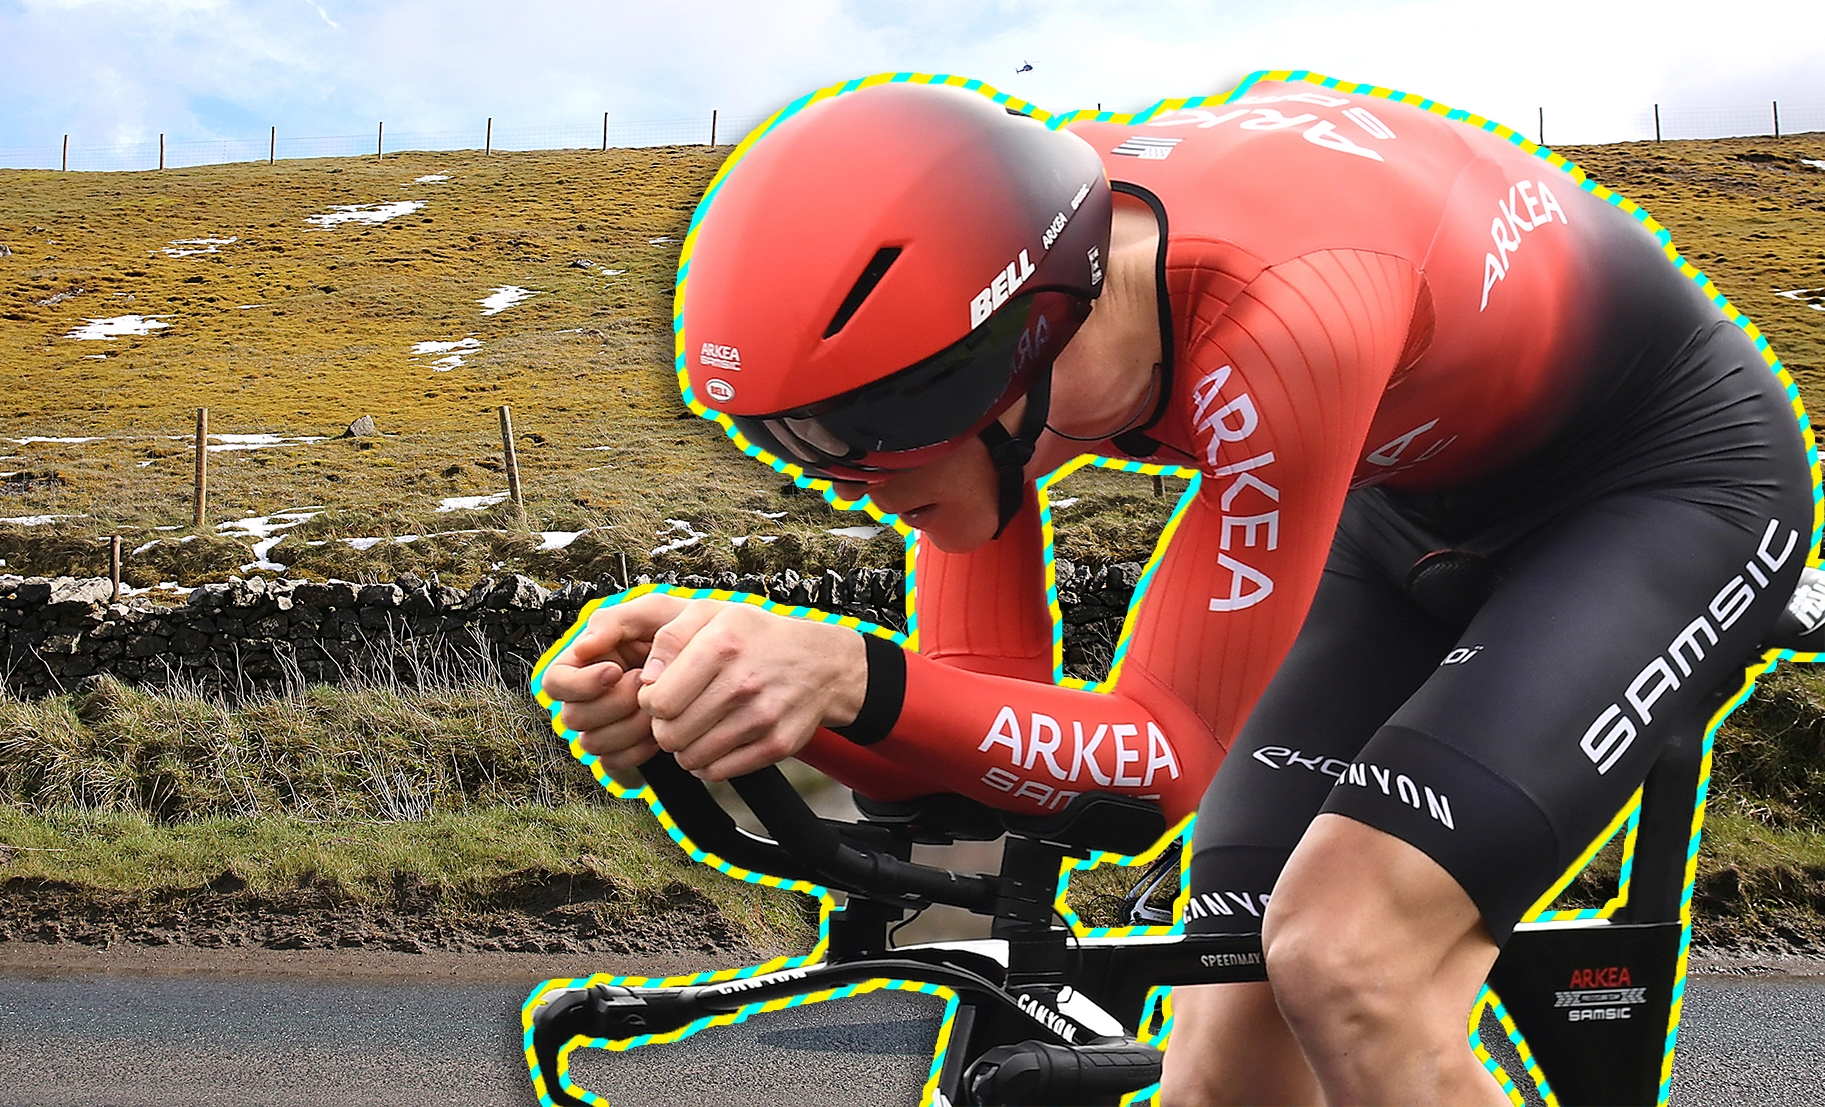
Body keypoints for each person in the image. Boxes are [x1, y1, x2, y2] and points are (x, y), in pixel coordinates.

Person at [540, 76, 1815, 1105]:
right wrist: (752, 705)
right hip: (1401, 498)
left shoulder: (1278, 322)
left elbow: (1160, 765)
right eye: (795, 439)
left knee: (1351, 960)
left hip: (1661, 480)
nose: (845, 481)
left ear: (1010, 352)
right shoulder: (1023, 297)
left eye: (857, 435)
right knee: (1220, 1068)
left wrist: (843, 675)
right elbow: (983, 733)